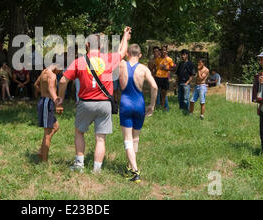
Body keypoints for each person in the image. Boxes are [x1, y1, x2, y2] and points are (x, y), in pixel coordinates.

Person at [57, 27, 131, 173]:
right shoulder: (109, 58)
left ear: (87, 45)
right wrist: (125, 36)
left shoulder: (79, 61)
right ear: (102, 46)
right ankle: (97, 170)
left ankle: (79, 165)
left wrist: (60, 98)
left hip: (86, 103)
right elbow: (122, 52)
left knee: (79, 132)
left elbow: (63, 80)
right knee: (100, 138)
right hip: (104, 104)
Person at [119, 44, 157, 183]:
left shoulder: (122, 64)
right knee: (135, 139)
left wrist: (125, 36)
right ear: (140, 55)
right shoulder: (144, 69)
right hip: (139, 104)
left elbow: (119, 53)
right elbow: (154, 86)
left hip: (125, 103)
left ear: (127, 54)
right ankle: (130, 166)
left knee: (128, 139)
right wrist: (152, 105)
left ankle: (135, 170)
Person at [34, 64, 63, 162]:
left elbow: (36, 85)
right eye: (60, 70)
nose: (60, 72)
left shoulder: (43, 72)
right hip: (48, 102)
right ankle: (44, 162)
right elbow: (51, 88)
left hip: (44, 101)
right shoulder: (53, 75)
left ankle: (41, 150)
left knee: (55, 127)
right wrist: (57, 102)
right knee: (48, 132)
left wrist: (43, 93)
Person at [154, 46, 175, 111]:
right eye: (162, 50)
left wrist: (166, 69)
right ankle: (155, 107)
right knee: (156, 93)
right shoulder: (157, 59)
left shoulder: (169, 59)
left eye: (164, 50)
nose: (163, 51)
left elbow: (173, 68)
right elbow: (155, 67)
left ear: (166, 51)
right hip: (157, 77)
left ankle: (162, 107)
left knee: (164, 93)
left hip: (165, 78)